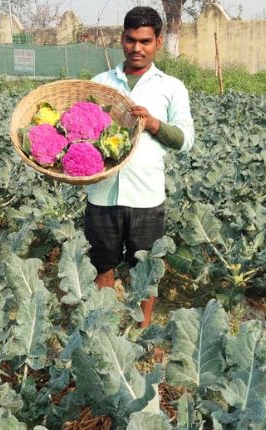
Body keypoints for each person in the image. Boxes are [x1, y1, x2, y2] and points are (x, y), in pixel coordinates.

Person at [86, 6, 194, 328]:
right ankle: (104, 323)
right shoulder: (101, 83)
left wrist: (153, 124)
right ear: (122, 39)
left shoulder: (171, 87)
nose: (137, 48)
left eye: (145, 41)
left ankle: (142, 330)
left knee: (145, 269)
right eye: (131, 40)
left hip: (147, 197)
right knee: (101, 264)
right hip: (102, 195)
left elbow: (186, 140)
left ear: (159, 42)